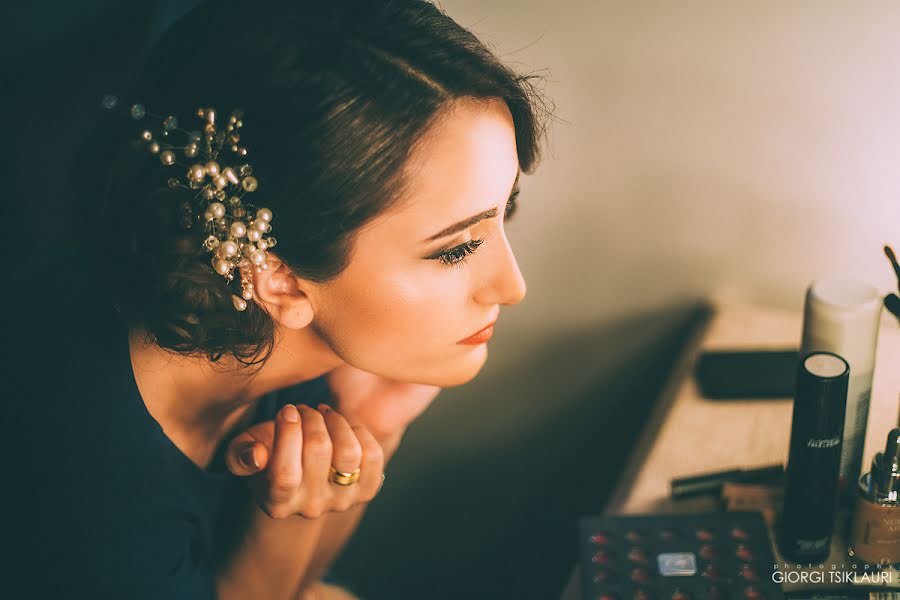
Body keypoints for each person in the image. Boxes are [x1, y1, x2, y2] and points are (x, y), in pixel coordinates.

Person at [8, 0, 549, 597]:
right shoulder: (92, 510)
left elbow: (300, 585)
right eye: (453, 250)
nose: (512, 286)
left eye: (508, 210)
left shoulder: (272, 327)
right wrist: (287, 521)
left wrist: (371, 427)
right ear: (279, 279)